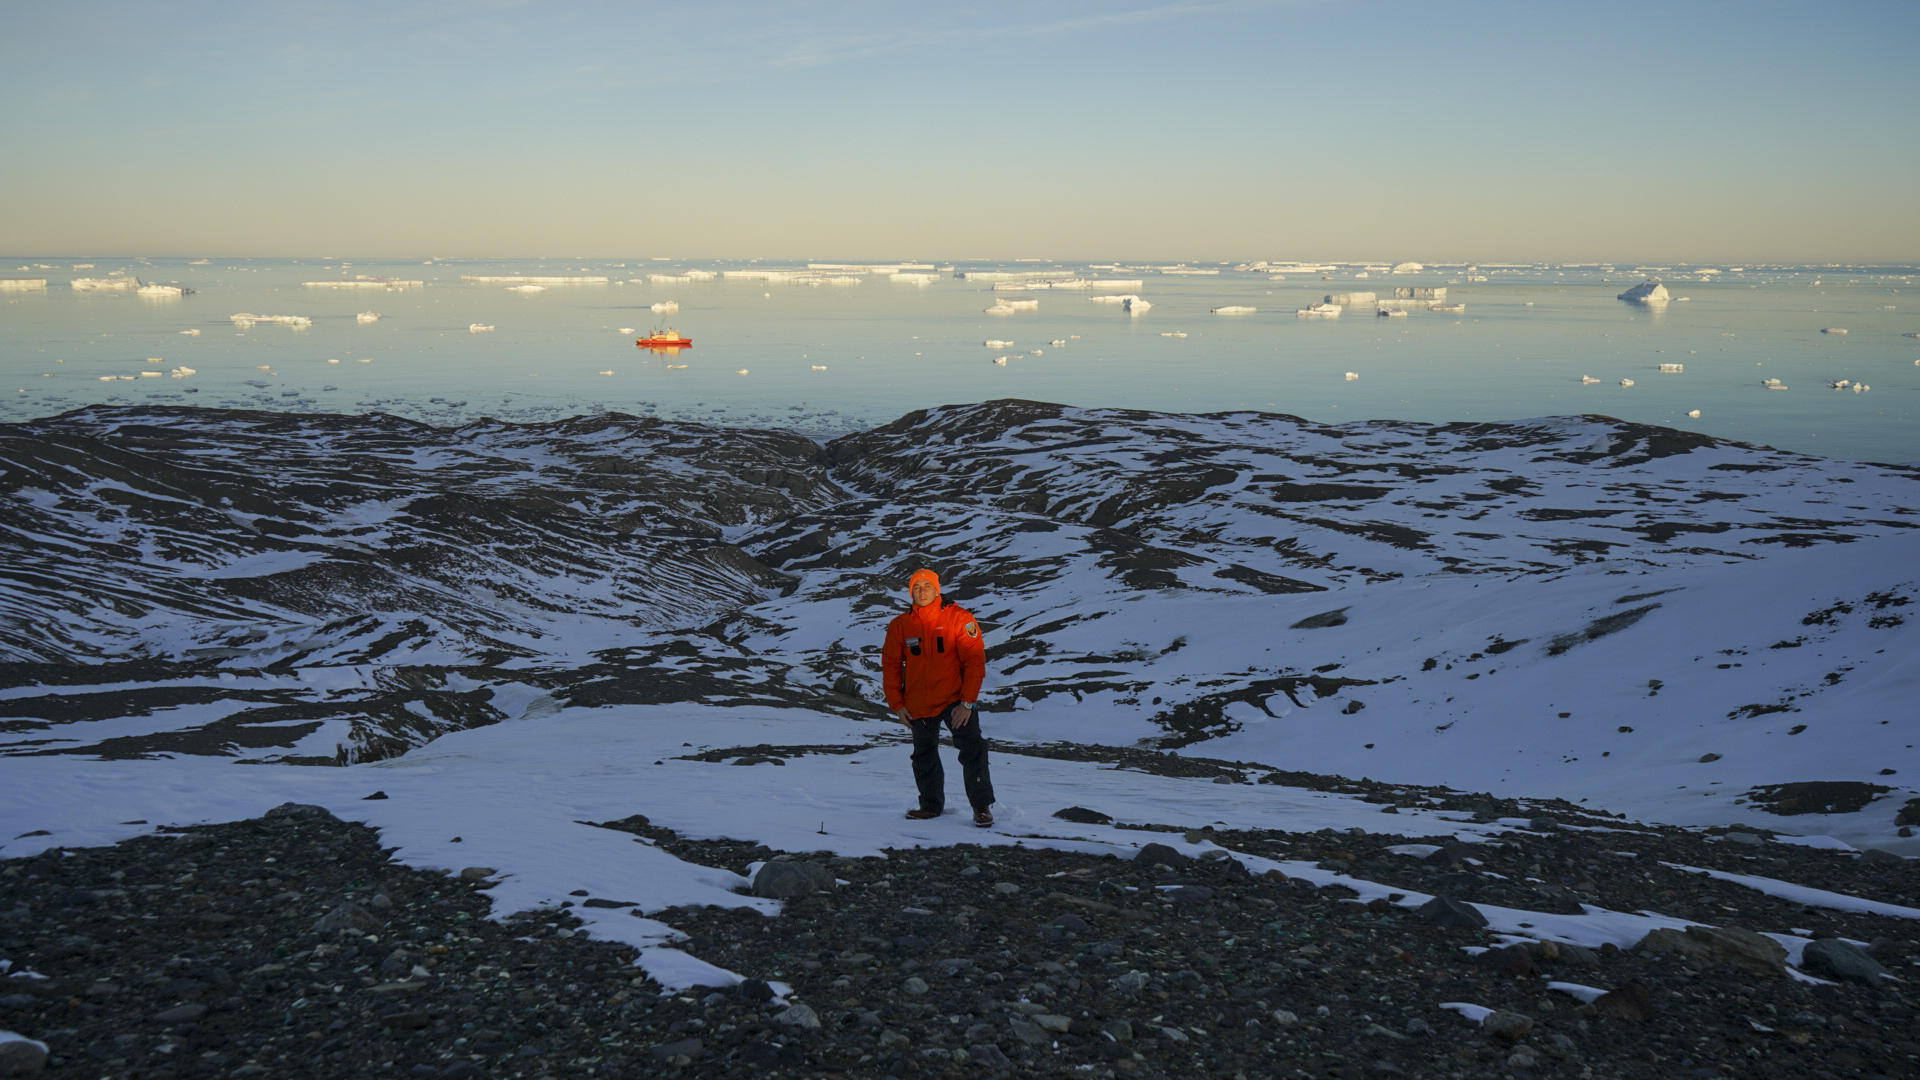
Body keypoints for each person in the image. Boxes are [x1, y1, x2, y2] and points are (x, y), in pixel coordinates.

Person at [882, 568, 995, 826]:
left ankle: (981, 807)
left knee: (972, 749)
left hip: (956, 699)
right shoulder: (900, 625)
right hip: (918, 702)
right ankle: (930, 806)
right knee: (923, 755)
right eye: (917, 587)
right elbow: (890, 664)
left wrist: (967, 702)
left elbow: (975, 662)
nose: (922, 591)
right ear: (911, 592)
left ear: (937, 589)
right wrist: (897, 704)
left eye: (927, 586)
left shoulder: (960, 619)